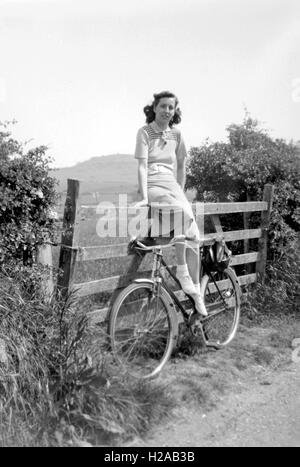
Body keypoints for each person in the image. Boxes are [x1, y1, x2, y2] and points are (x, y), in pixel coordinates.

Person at [134, 90, 207, 316]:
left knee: (195, 236)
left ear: (175, 111)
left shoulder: (177, 134)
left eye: (171, 107)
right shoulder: (145, 132)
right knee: (183, 214)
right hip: (154, 183)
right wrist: (145, 196)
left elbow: (182, 165)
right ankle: (183, 272)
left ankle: (196, 293)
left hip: (172, 185)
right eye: (163, 106)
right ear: (154, 108)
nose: (167, 110)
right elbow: (143, 166)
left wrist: (181, 192)